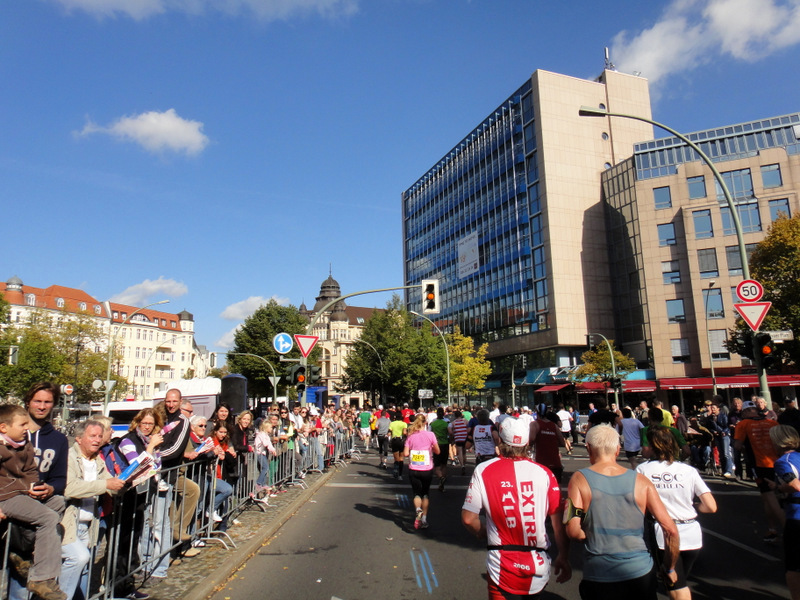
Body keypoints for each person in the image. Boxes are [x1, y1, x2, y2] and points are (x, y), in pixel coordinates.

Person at [566, 424, 679, 600]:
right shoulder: (642, 481)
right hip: (640, 571)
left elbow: (573, 530)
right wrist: (669, 567)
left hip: (599, 572)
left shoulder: (579, 479)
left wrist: (593, 535)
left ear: (588, 448)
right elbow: (670, 529)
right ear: (618, 450)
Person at [462, 418, 571, 599]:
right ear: (528, 442)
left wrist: (481, 531)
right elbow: (559, 524)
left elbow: (468, 518)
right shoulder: (545, 473)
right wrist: (564, 556)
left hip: (500, 561)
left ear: (500, 440)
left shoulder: (483, 470)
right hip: (537, 561)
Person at [637, 426, 717, 600]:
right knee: (678, 582)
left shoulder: (643, 470)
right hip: (692, 534)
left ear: (652, 446)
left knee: (676, 587)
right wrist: (692, 507)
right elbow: (711, 506)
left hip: (664, 534)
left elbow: (636, 502)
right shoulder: (688, 470)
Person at [0, 404, 66, 600]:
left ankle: (22, 553)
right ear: (4, 427)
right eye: (22, 425)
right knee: (48, 518)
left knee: (58, 502)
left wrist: (34, 487)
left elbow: (31, 471)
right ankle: (42, 578)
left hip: (22, 493)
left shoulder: (25, 443)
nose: (26, 429)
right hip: (6, 497)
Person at [59, 420, 126, 600]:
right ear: (79, 439)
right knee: (78, 559)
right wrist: (106, 484)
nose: (97, 440)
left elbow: (110, 484)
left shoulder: (97, 461)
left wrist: (128, 481)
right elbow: (70, 488)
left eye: (99, 436)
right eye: (92, 436)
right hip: (68, 523)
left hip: (89, 523)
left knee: (84, 569)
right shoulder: (69, 458)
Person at [734, 400, 782, 542]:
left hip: (759, 464)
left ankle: (791, 530)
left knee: (770, 497)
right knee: (769, 497)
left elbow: (737, 445)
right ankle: (772, 529)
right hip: (779, 463)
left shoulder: (743, 424)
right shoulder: (772, 423)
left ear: (746, 412)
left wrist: (744, 449)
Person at [769, 425, 800, 600]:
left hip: (796, 516)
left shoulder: (783, 462)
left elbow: (795, 485)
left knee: (794, 566)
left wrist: (780, 488)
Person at [403, 414, 440, 529]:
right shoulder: (430, 435)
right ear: (425, 423)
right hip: (427, 469)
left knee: (416, 493)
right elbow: (437, 451)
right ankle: (424, 519)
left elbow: (405, 453)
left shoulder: (410, 436)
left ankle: (418, 510)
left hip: (414, 468)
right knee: (425, 493)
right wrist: (430, 448)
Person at [529, 410, 567, 483]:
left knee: (542, 486)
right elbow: (562, 443)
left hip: (542, 462)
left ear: (537, 414)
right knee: (557, 485)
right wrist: (551, 441)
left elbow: (531, 440)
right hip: (555, 462)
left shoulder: (535, 424)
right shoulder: (554, 425)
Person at [429, 407, 451, 491]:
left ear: (436, 414)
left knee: (437, 465)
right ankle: (443, 480)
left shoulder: (432, 423)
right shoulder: (447, 422)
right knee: (444, 464)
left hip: (436, 445)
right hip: (445, 444)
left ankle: (440, 478)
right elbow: (450, 433)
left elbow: (430, 433)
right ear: (444, 413)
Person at [448, 410, 469, 475]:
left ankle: (462, 465)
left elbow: (450, 431)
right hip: (465, 437)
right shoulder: (465, 421)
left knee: (459, 451)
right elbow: (469, 428)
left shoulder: (453, 423)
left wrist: (454, 434)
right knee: (464, 452)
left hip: (458, 438)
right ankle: (464, 464)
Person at [388, 411, 408, 480]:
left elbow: (389, 433)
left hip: (394, 440)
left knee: (396, 457)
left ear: (395, 417)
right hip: (401, 441)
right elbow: (404, 432)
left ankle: (396, 469)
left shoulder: (392, 423)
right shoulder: (404, 424)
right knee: (401, 458)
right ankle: (400, 475)